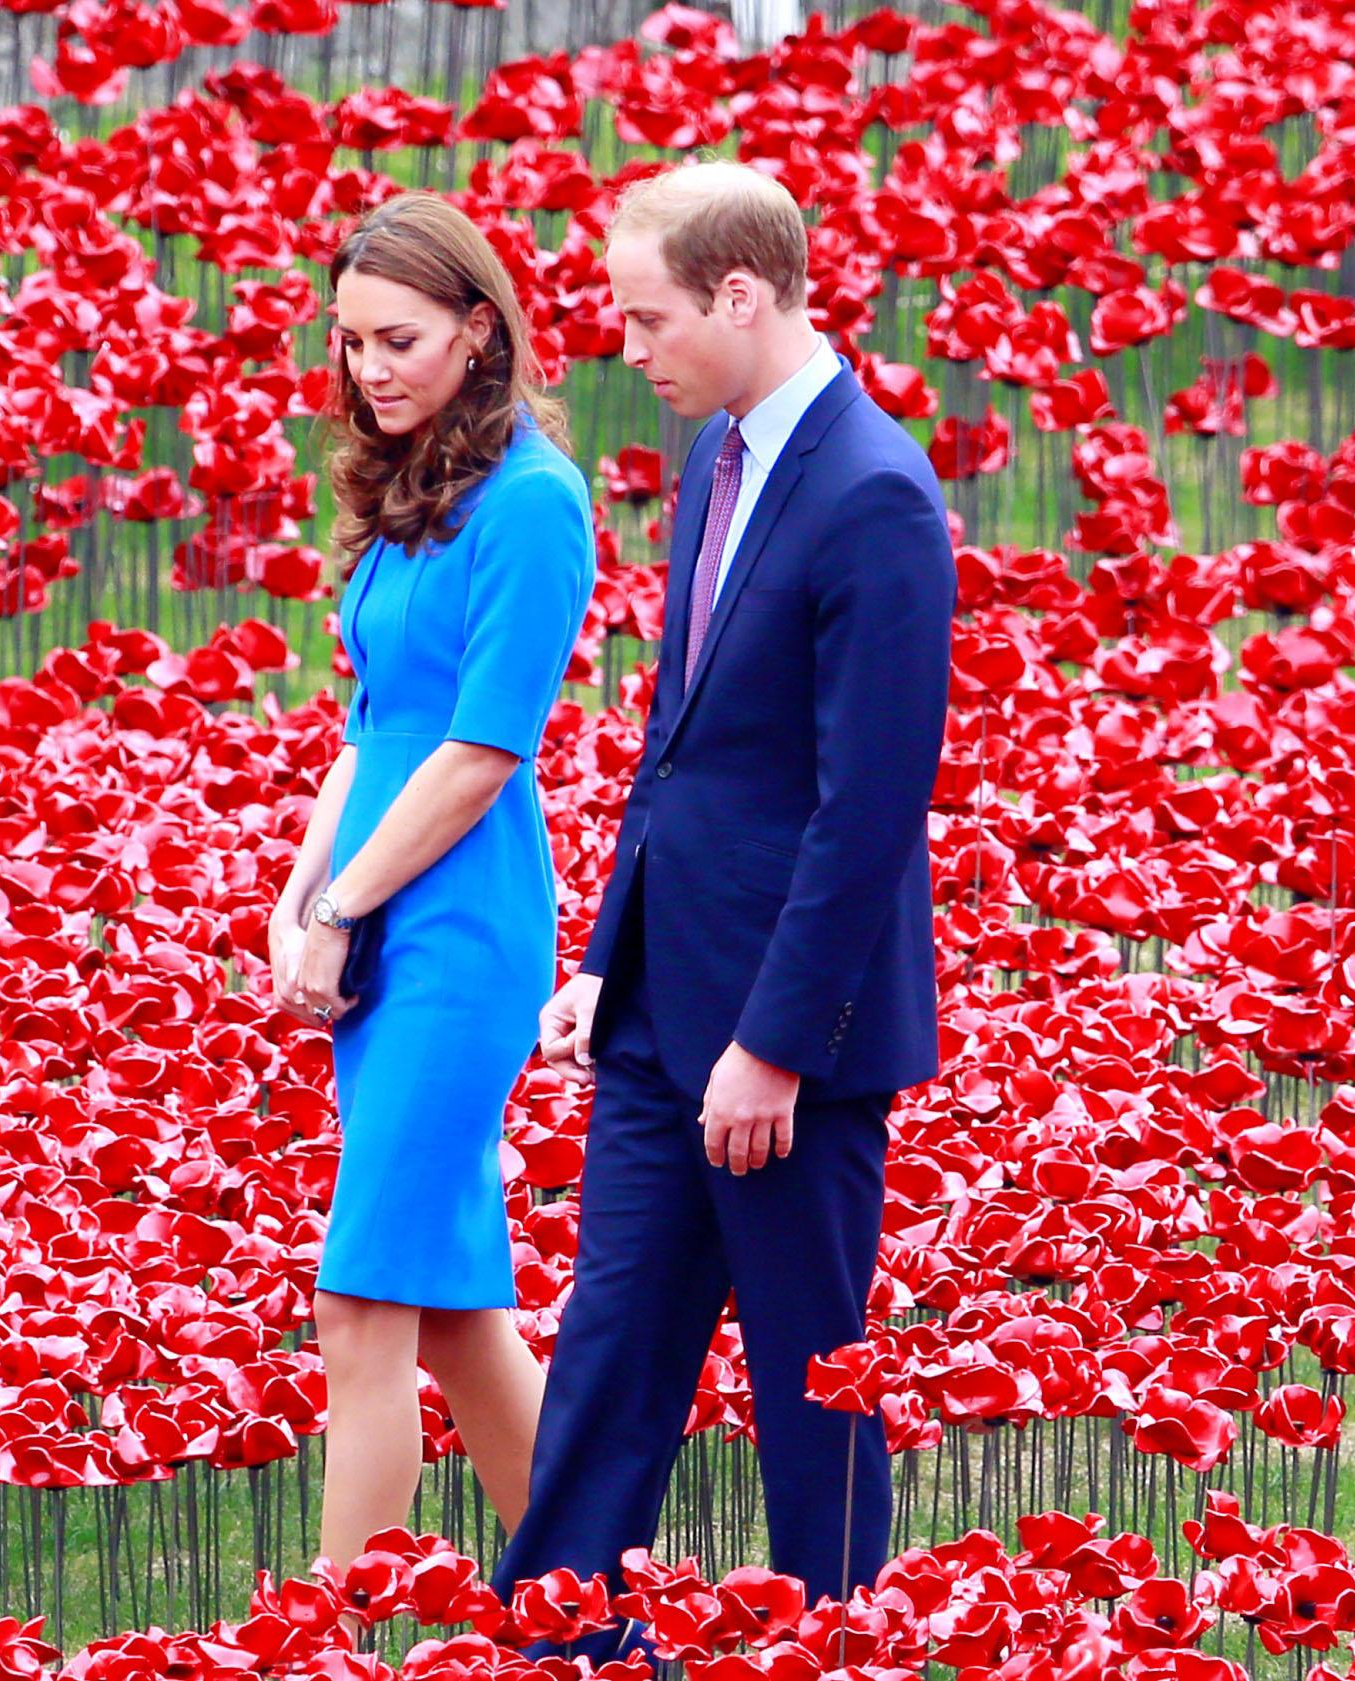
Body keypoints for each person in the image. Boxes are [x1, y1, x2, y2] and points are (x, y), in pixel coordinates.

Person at [491, 160, 954, 1656]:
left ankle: (835, 1638)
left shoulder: (875, 493)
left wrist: (775, 1042)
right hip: (654, 1014)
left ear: (741, 297)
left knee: (811, 1378)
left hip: (785, 1043)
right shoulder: (718, 459)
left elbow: (868, 806)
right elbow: (680, 748)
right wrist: (603, 961)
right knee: (611, 1356)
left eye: (650, 318)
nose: (630, 351)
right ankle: (561, 1636)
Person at [269, 191, 595, 1596]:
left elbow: (475, 753)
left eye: (398, 339)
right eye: (349, 346)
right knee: (457, 1316)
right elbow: (372, 726)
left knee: (360, 1306)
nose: (371, 370)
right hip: (381, 896)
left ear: (480, 327)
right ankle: (590, 1606)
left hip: (461, 927)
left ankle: (328, 1639)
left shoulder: (532, 501)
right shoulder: (416, 496)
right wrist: (300, 897)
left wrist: (346, 909)